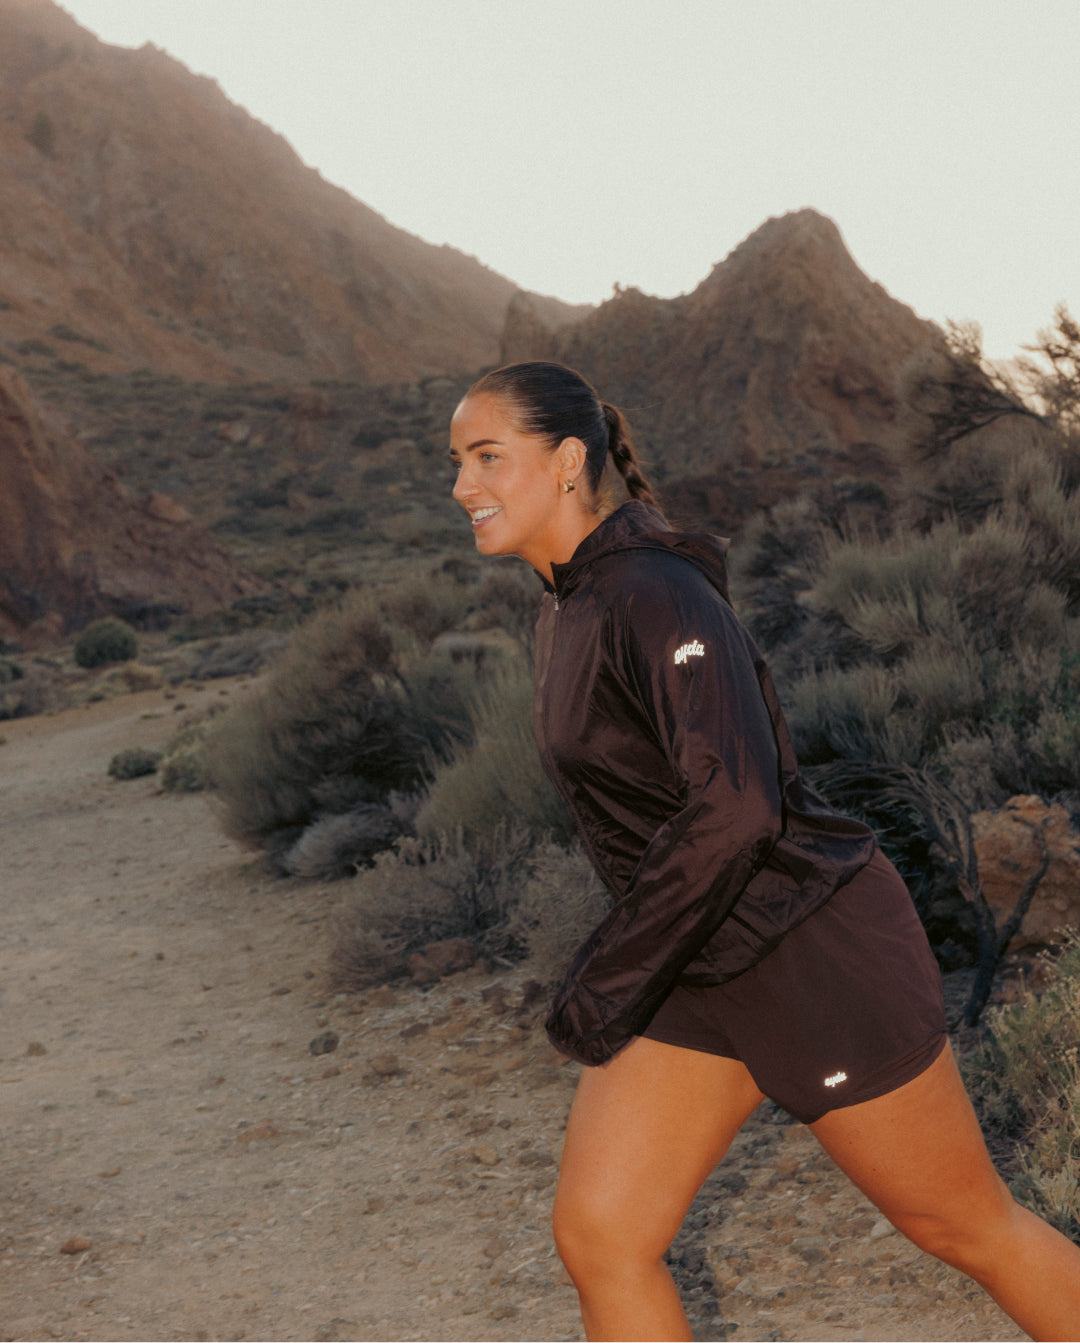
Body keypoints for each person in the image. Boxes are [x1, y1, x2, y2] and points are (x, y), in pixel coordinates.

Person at [448, 359, 1080, 1342]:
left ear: (567, 461)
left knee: (966, 1226)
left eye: (487, 456)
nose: (463, 485)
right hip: (697, 958)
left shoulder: (654, 593)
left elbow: (736, 807)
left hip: (804, 954)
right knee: (604, 1234)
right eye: (457, 461)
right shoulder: (573, 598)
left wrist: (606, 978)